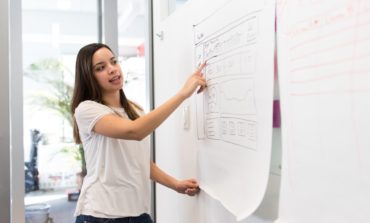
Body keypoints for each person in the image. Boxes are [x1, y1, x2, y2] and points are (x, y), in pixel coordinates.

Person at [71, 43, 207, 223]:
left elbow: (140, 161)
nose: (112, 69)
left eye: (113, 62)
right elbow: (135, 131)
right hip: (101, 215)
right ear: (89, 77)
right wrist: (183, 94)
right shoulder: (87, 110)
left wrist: (176, 185)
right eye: (101, 68)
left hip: (138, 213)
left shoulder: (134, 110)